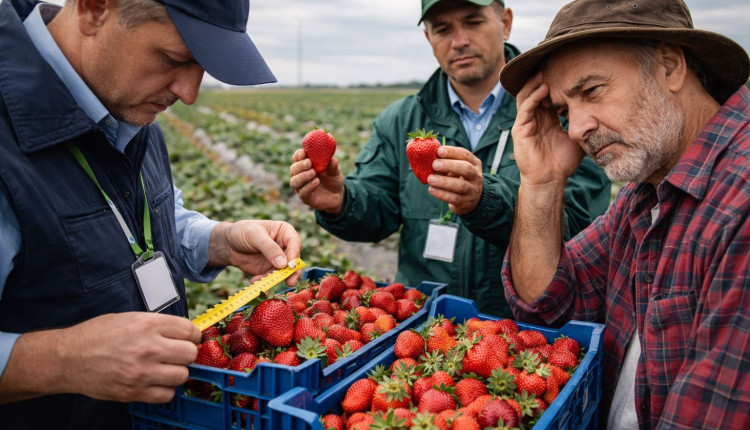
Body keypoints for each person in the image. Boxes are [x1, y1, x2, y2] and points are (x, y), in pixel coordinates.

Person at [0, 0, 303, 428]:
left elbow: (134, 217)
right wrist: (64, 359)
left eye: (202, 67)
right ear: (94, 9)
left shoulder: (124, 106)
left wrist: (219, 240)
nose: (189, 93)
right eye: (173, 59)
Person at [498, 0, 750, 428]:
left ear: (670, 66)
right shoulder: (643, 195)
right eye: (563, 112)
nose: (576, 129)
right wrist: (541, 182)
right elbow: (548, 308)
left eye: (592, 91)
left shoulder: (739, 202)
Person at [289, 0, 611, 317]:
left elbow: (581, 233)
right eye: (442, 29)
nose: (459, 41)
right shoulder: (400, 120)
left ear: (505, 23)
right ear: (428, 38)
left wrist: (486, 202)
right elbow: (378, 211)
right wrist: (341, 202)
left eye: (473, 21)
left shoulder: (560, 111)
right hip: (421, 325)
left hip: (518, 330)